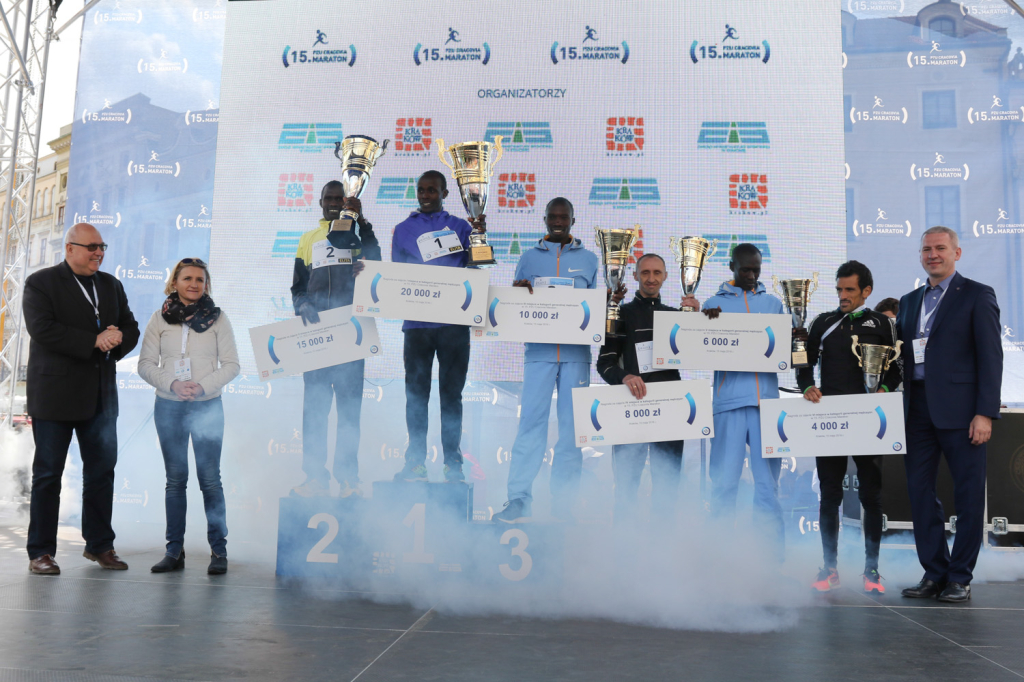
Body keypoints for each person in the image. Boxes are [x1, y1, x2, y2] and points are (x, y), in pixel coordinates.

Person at [22, 223, 140, 574]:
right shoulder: (40, 282)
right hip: (54, 397)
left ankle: (100, 545)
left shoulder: (111, 284)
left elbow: (130, 326)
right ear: (70, 248)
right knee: (48, 476)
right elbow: (42, 329)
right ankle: (41, 552)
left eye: (102, 247)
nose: (98, 253)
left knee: (101, 474)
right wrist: (93, 340)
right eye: (92, 247)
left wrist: (116, 339)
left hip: (100, 397)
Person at [896, 226, 1002, 603]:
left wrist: (985, 413)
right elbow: (901, 357)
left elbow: (991, 357)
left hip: (963, 412)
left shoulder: (977, 294)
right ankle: (935, 573)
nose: (933, 255)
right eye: (926, 249)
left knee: (968, 495)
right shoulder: (909, 301)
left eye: (940, 248)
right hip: (916, 410)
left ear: (957, 253)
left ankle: (960, 577)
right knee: (919, 493)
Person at [491, 198, 598, 523]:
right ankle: (518, 500)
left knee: (572, 432)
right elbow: (516, 305)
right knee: (530, 426)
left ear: (573, 220)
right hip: (538, 353)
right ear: (545, 219)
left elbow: (595, 310)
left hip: (576, 356)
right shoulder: (528, 257)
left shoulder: (590, 259)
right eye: (553, 216)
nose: (558, 221)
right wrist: (517, 293)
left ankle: (563, 506)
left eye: (564, 217)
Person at [798, 261, 900, 594]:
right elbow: (803, 360)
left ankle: (872, 570)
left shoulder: (882, 323)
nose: (843, 295)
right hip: (830, 419)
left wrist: (884, 389)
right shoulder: (823, 322)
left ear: (866, 291)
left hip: (868, 419)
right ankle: (829, 568)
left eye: (850, 290)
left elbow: (898, 366)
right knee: (830, 494)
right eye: (839, 289)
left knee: (871, 495)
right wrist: (806, 386)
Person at [138, 258, 239, 575]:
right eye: (187, 278)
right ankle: (173, 551)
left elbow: (232, 365)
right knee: (175, 480)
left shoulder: (218, 319)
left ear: (206, 285)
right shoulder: (159, 318)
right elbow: (145, 365)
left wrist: (202, 386)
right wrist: (173, 383)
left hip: (207, 405)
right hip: (169, 406)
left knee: (210, 480)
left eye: (200, 279)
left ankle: (219, 551)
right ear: (174, 283)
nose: (194, 284)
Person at [592, 253, 701, 524]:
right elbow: (604, 364)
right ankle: (624, 546)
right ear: (635, 276)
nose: (651, 278)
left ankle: (660, 546)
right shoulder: (621, 314)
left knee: (667, 488)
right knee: (626, 488)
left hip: (669, 411)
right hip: (631, 410)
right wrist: (624, 377)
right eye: (645, 273)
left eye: (657, 273)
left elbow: (700, 354)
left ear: (665, 277)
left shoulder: (677, 317)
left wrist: (698, 321)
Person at [290, 181, 381, 498]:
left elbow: (376, 264)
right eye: (328, 198)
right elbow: (298, 286)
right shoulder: (307, 239)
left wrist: (362, 222)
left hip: (351, 334)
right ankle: (314, 478)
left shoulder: (357, 235)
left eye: (338, 199)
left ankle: (348, 479)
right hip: (317, 336)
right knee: (314, 411)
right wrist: (302, 304)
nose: (332, 203)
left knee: (349, 413)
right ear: (319, 202)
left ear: (346, 203)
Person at [391, 170, 483, 483]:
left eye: (432, 190)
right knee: (416, 396)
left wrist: (479, 236)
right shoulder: (403, 229)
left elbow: (477, 267)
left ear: (444, 193)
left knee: (451, 396)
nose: (425, 195)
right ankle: (415, 463)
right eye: (421, 190)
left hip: (453, 327)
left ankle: (453, 466)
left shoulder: (461, 226)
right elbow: (397, 276)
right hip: (416, 326)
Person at [701, 243, 785, 558]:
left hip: (767, 406)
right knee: (724, 485)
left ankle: (770, 560)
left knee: (767, 488)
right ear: (732, 267)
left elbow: (784, 351)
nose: (751, 275)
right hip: (729, 404)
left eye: (756, 270)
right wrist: (703, 322)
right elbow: (700, 347)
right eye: (745, 269)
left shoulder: (774, 304)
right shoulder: (713, 304)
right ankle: (718, 558)